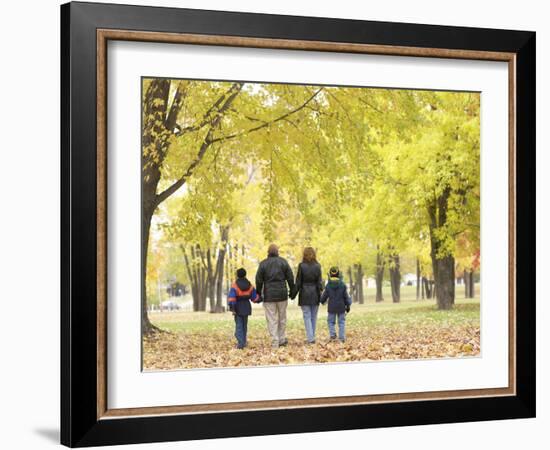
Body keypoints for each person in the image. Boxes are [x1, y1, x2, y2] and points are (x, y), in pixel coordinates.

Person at [256, 244, 296, 349]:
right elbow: (290, 278)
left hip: (269, 295)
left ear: (268, 252)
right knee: (282, 318)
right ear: (277, 252)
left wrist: (258, 293)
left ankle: (275, 341)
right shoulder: (283, 262)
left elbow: (259, 280)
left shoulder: (263, 264)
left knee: (271, 319)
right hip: (282, 294)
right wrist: (292, 291)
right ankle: (282, 339)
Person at [294, 247, 323, 344]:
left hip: (304, 294)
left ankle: (311, 338)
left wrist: (293, 293)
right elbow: (319, 282)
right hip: (315, 293)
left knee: (307, 316)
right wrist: (321, 292)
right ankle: (312, 337)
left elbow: (298, 282)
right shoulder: (318, 266)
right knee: (313, 316)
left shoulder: (301, 266)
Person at [227, 268, 261, 349]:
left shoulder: (235, 285)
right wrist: (260, 299)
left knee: (239, 325)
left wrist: (232, 307)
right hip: (246, 306)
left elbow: (232, 297)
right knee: (244, 325)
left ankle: (240, 343)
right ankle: (244, 341)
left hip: (238, 307)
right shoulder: (250, 285)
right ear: (245, 274)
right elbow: (254, 297)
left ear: (237, 275)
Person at [320, 266, 352, 342]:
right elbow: (346, 296)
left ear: (330, 274)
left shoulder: (328, 286)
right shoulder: (342, 285)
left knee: (330, 322)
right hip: (341, 307)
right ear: (338, 274)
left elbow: (324, 297)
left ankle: (333, 334)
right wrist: (348, 305)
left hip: (331, 307)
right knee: (341, 322)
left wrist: (322, 300)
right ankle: (341, 338)